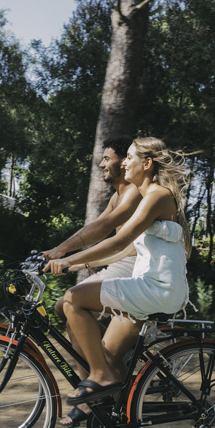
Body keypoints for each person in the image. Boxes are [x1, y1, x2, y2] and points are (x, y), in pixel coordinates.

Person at [46, 136, 192, 407]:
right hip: (150, 287)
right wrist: (78, 263)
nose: (124, 163)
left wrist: (67, 257)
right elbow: (127, 249)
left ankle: (99, 377)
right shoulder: (149, 196)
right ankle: (121, 421)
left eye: (129, 157)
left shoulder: (157, 196)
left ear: (147, 164)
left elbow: (119, 239)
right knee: (108, 355)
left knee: (72, 300)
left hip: (156, 289)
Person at [41, 136, 142, 427]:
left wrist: (66, 253)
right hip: (123, 266)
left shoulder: (134, 193)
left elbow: (105, 229)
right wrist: (65, 254)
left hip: (134, 270)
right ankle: (100, 385)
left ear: (124, 162)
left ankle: (96, 382)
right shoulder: (117, 195)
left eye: (107, 158)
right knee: (66, 309)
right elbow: (98, 232)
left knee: (70, 302)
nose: (101, 164)